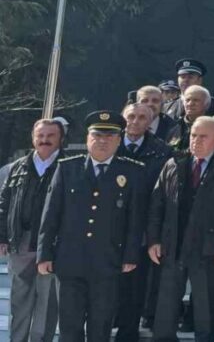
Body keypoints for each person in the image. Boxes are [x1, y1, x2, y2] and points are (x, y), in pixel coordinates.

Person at [37, 111, 147, 342]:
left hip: (108, 261)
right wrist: (44, 253)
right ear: (87, 138)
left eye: (110, 136)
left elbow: (135, 219)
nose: (102, 141)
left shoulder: (132, 171)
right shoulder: (67, 168)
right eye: (97, 135)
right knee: (69, 325)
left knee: (101, 325)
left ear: (119, 140)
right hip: (70, 260)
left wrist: (131, 254)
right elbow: (51, 215)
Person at [147, 117, 214, 342]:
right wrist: (153, 240)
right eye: (193, 136)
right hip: (173, 244)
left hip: (208, 247)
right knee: (166, 308)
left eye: (203, 136)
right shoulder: (174, 162)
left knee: (205, 308)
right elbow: (156, 204)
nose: (196, 141)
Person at [0, 118, 64, 342]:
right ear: (33, 137)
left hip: (53, 244)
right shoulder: (17, 167)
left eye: (50, 136)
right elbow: (4, 203)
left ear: (60, 138)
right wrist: (2, 237)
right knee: (19, 300)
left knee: (47, 303)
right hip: (22, 242)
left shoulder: (68, 166)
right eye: (40, 135)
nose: (44, 140)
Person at [115, 104, 173, 342]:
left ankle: (128, 334)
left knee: (135, 287)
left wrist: (155, 234)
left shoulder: (163, 152)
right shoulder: (110, 144)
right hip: (108, 226)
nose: (135, 122)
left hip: (142, 228)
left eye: (142, 118)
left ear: (150, 122)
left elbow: (164, 196)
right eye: (131, 116)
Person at [173, 86, 213, 151]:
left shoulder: (213, 128)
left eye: (196, 100)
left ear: (206, 104)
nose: (190, 104)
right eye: (187, 100)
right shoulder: (173, 126)